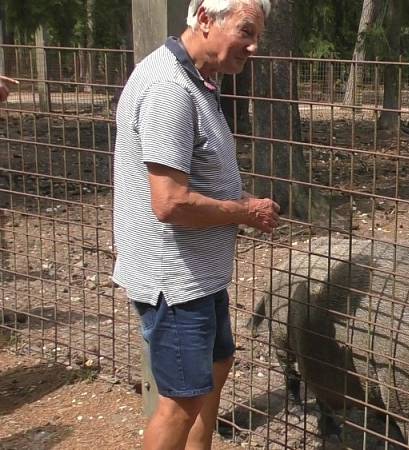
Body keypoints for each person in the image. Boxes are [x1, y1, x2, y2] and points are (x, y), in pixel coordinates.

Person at [112, 0, 278, 449]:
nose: (254, 45)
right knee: (180, 402)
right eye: (245, 31)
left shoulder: (197, 79)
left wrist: (239, 199)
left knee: (217, 365)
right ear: (205, 19)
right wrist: (244, 212)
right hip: (175, 279)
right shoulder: (170, 88)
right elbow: (169, 204)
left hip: (197, 273)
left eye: (257, 34)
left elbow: (191, 174)